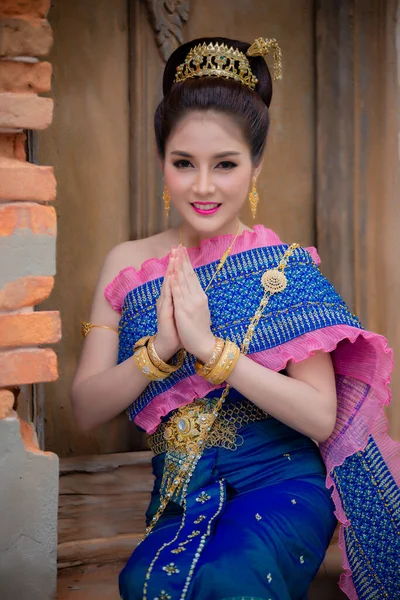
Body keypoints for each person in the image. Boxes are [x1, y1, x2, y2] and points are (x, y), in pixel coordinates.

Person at [71, 36, 400, 600]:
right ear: (161, 162)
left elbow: (322, 417)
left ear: (256, 166)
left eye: (225, 164)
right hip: (182, 489)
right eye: (184, 163)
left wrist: (209, 349)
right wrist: (161, 347)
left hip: (282, 485)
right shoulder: (126, 265)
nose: (203, 186)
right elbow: (85, 410)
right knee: (145, 584)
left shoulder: (283, 270)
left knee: (231, 581)